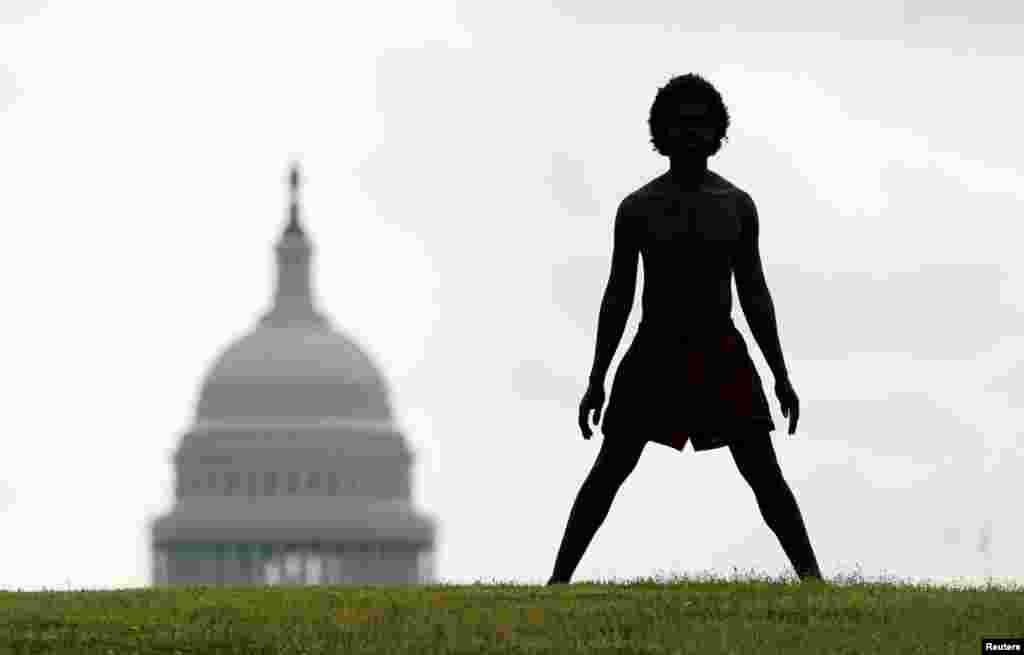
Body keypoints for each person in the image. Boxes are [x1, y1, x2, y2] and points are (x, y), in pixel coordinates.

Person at [547, 73, 824, 586]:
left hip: (722, 351)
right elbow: (617, 297)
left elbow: (755, 293)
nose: (691, 133)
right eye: (680, 123)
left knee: (764, 473)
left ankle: (813, 580)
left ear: (718, 132)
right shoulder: (637, 208)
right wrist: (596, 378)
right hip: (653, 353)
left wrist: (781, 374)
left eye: (701, 123)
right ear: (661, 133)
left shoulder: (738, 206)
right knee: (609, 470)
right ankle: (558, 581)